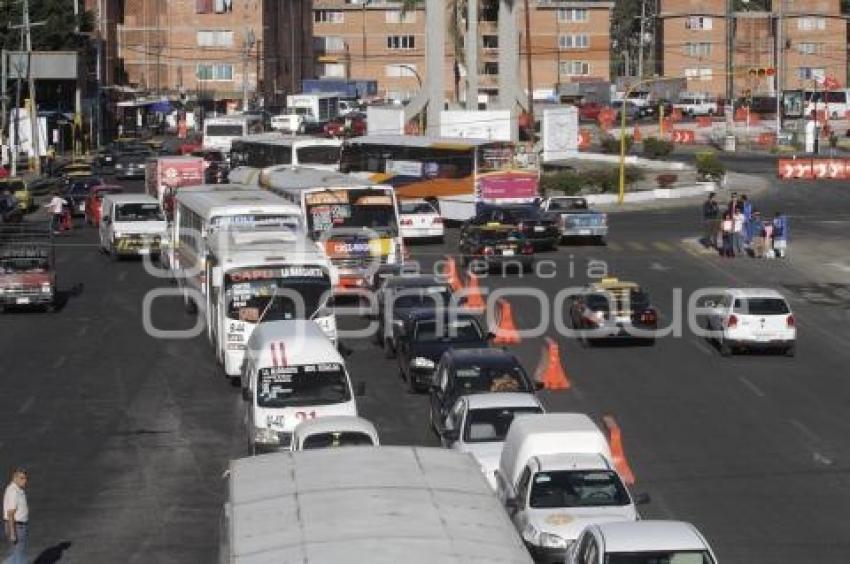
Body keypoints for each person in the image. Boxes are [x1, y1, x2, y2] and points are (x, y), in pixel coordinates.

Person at [3, 468, 28, 564]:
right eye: (22, 478)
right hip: (17, 526)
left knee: (15, 554)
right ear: (14, 478)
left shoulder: (17, 489)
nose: (24, 481)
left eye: (25, 478)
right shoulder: (14, 491)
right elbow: (10, 513)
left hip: (18, 526)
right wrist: (13, 533)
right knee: (19, 555)